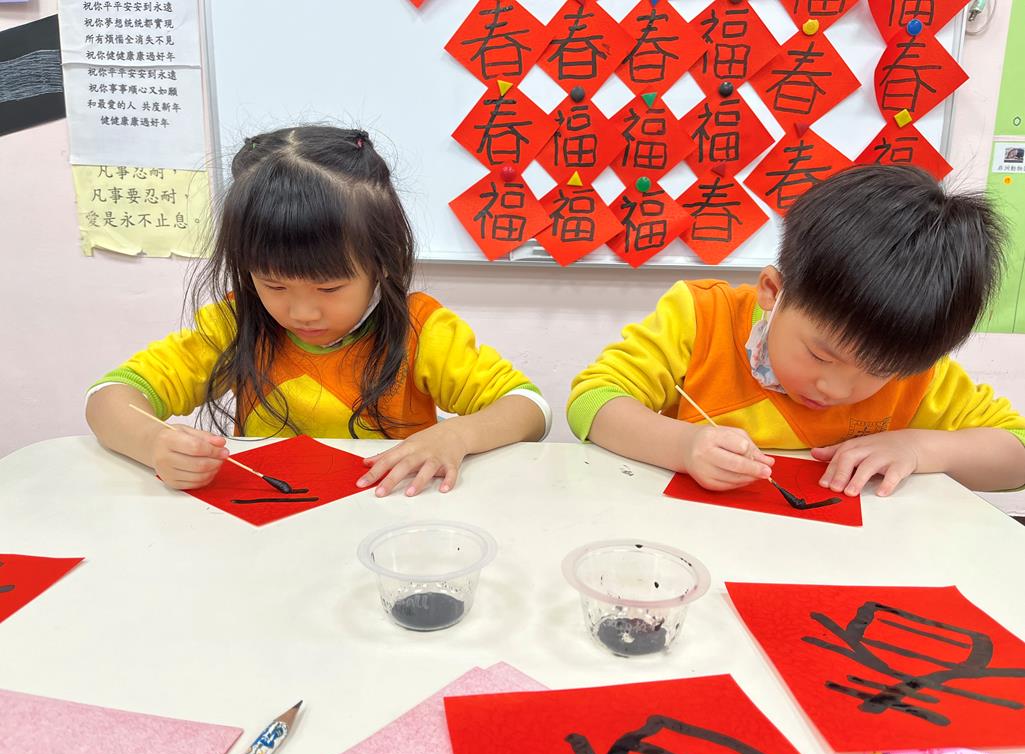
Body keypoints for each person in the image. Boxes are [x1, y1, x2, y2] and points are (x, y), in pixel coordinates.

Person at [86, 126, 549, 496]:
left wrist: (457, 436)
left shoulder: (420, 329)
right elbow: (108, 397)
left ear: (382, 263)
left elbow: (530, 408)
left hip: (389, 524)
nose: (303, 311)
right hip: (271, 529)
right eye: (273, 285)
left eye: (329, 287)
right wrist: (153, 442)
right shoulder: (235, 323)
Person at [568, 165, 1025, 497]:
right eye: (822, 356)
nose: (836, 389)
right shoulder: (702, 316)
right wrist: (683, 446)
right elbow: (593, 401)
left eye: (877, 372)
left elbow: (1016, 455)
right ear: (772, 291)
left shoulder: (912, 366)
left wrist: (919, 447)